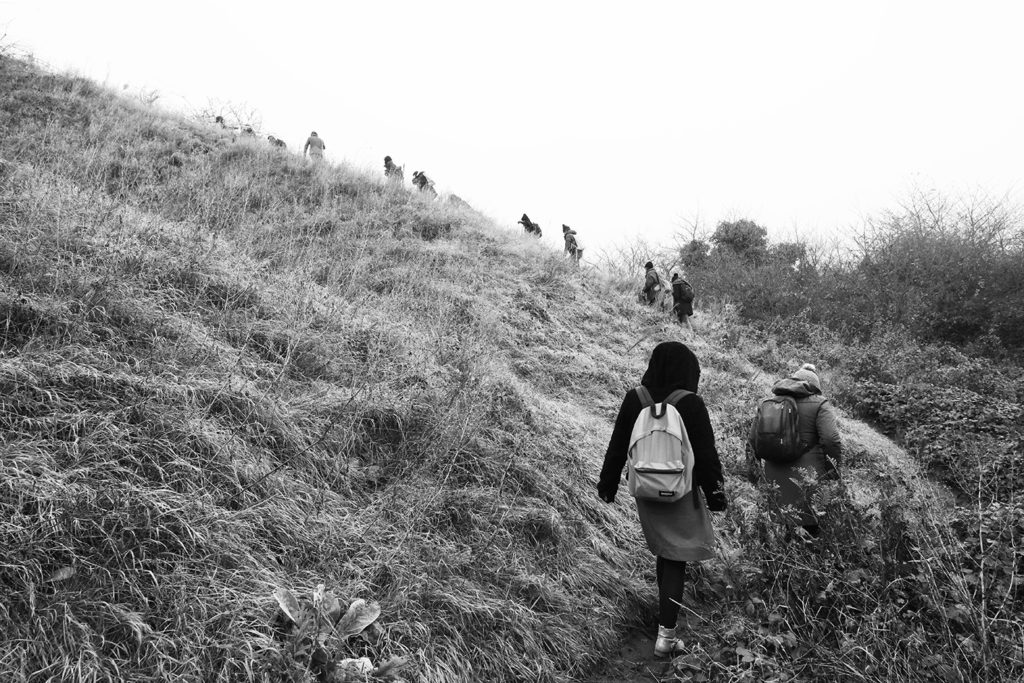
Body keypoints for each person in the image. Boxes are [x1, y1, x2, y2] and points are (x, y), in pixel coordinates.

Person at [598, 342, 727, 658]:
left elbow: (617, 445)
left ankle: (663, 621)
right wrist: (716, 495)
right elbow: (707, 456)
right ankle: (666, 637)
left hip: (644, 489)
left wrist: (608, 484)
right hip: (681, 491)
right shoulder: (691, 404)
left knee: (664, 551)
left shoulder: (635, 399)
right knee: (675, 557)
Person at [748, 363, 842, 540]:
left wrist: (754, 475)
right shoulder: (820, 404)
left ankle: (785, 561)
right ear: (814, 387)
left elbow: (752, 442)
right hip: (807, 478)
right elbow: (831, 440)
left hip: (774, 478)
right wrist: (833, 471)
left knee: (786, 527)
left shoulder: (768, 403)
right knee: (810, 534)